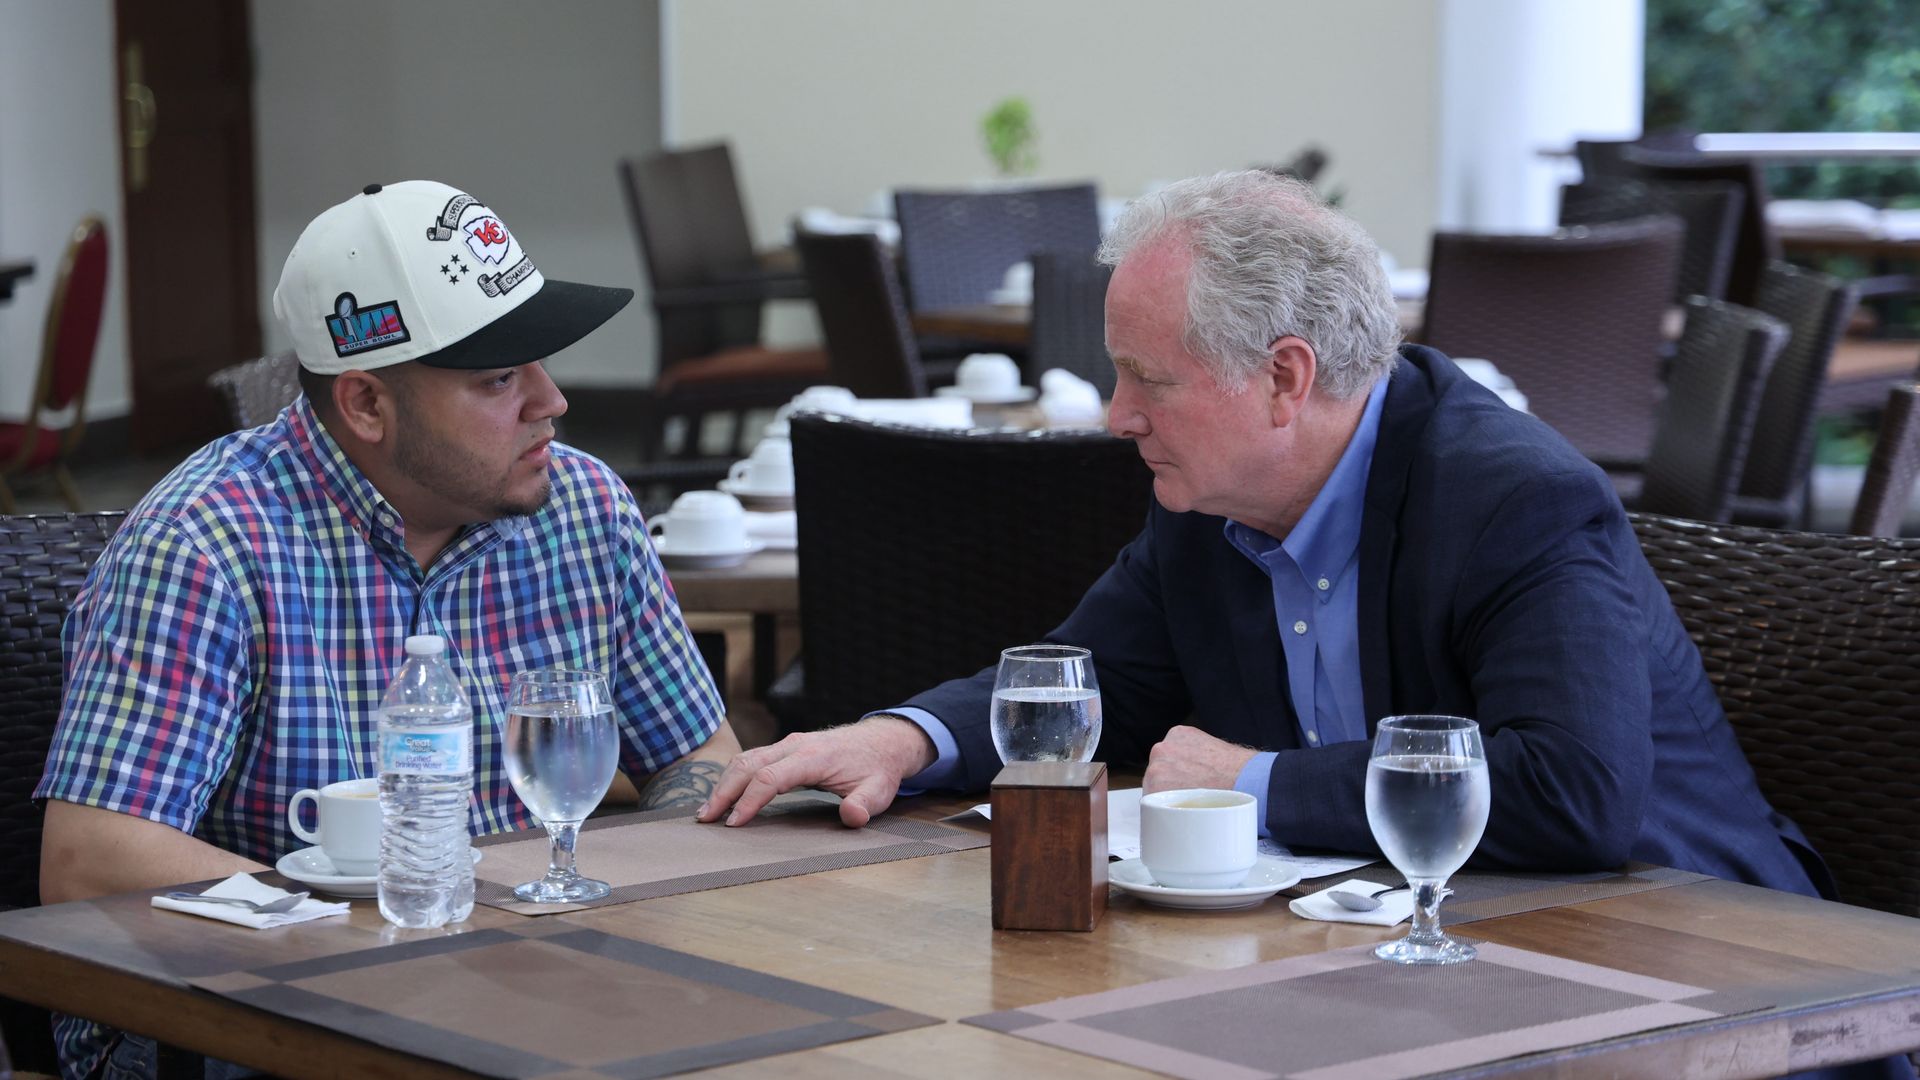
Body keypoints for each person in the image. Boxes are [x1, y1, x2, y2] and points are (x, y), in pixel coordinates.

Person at [698, 169, 1826, 901]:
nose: (1116, 415)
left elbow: (1574, 794)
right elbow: (1088, 683)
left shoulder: (1512, 501)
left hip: (1696, 959)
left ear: (1286, 378)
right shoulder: (1212, 500)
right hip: (1420, 950)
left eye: (1147, 379)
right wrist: (904, 740)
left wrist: (1261, 784)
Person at [36, 180, 739, 1079]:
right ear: (366, 405)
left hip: (530, 997)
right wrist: (381, 933)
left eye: (542, 363)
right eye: (499, 377)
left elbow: (697, 758)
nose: (552, 401)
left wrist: (594, 922)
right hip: (244, 1022)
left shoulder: (584, 508)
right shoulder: (207, 544)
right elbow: (92, 862)